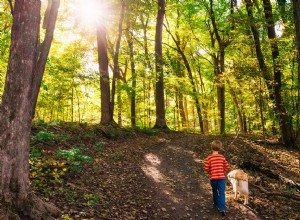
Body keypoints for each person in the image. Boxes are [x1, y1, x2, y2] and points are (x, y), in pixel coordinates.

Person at [204, 140, 230, 216]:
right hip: (221, 178)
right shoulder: (222, 157)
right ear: (220, 148)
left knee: (215, 191)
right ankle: (222, 209)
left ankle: (215, 204)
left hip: (213, 178)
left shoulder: (209, 158)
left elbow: (206, 168)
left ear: (211, 147)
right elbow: (227, 166)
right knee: (222, 193)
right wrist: (223, 172)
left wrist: (210, 173)